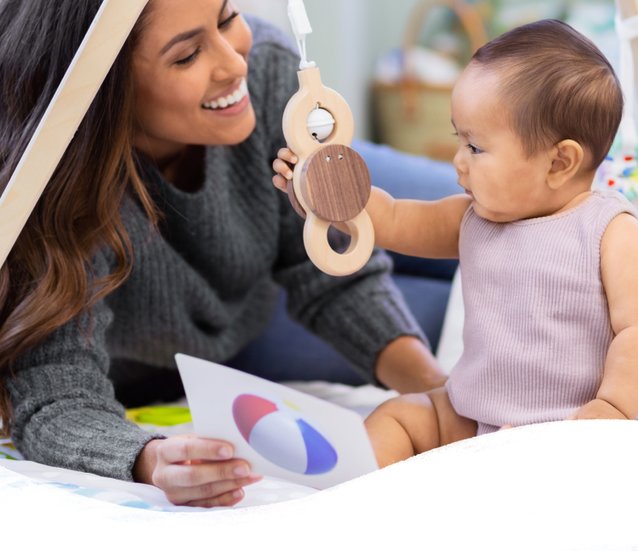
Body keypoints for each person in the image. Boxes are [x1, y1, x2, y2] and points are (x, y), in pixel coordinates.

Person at [0, 0, 457, 508]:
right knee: (446, 309)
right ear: (104, 93)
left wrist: (443, 396)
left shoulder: (265, 69)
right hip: (182, 353)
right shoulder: (47, 183)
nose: (236, 60)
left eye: (226, 17)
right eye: (188, 55)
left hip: (260, 270)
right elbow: (54, 398)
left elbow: (330, 269)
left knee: (501, 215)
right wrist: (150, 459)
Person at [275, 19, 638, 468]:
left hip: (564, 428)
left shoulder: (609, 231)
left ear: (560, 162)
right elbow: (389, 218)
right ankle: (357, 502)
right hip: (468, 416)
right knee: (398, 418)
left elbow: (634, 331)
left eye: (476, 147)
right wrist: (323, 193)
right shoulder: (471, 217)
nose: (457, 161)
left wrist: (614, 410)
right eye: (458, 138)